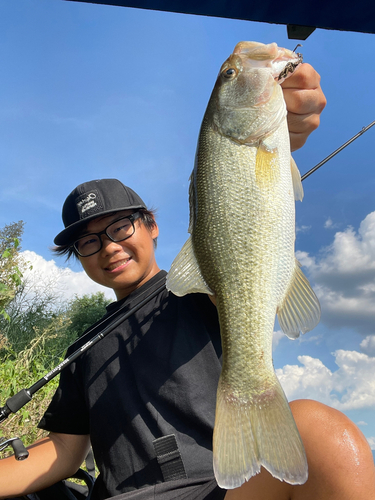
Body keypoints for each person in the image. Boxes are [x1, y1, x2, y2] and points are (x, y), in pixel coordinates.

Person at [1, 64, 374, 500]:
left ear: (151, 225)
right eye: (87, 241)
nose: (108, 247)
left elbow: (241, 247)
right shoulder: (81, 350)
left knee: (320, 431)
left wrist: (279, 128)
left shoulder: (194, 291)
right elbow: (65, 450)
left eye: (120, 227)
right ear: (78, 256)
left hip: (221, 491)